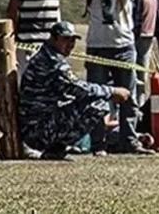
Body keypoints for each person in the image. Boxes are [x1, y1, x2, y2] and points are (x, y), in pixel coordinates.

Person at [72, 0, 151, 155]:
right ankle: (98, 143)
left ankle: (130, 140)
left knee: (130, 96)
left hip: (123, 44)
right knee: (97, 97)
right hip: (97, 44)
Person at [19, 22, 130, 160]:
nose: (70, 44)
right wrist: (112, 91)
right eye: (65, 39)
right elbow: (77, 88)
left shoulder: (48, 56)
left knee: (89, 102)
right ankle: (56, 149)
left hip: (39, 124)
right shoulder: (52, 62)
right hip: (37, 130)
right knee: (98, 105)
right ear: (53, 39)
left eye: (72, 40)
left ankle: (56, 150)